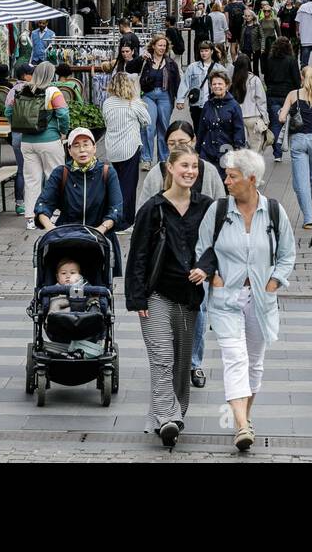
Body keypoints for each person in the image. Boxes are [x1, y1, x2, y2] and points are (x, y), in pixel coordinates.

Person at [191, 149, 296, 452]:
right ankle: (240, 424)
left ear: (251, 180)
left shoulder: (274, 211)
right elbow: (203, 246)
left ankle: (243, 418)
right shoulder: (219, 211)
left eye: (232, 176)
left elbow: (287, 254)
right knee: (234, 357)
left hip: (261, 298)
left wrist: (274, 282)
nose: (226, 181)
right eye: (226, 175)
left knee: (255, 363)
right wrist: (214, 278)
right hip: (226, 297)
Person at [127, 148, 213, 448]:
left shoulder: (206, 206)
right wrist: (137, 299)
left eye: (194, 166)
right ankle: (167, 418)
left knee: (180, 364)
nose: (190, 171)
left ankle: (172, 416)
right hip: (156, 296)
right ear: (170, 168)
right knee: (162, 359)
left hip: (189, 298)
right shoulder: (153, 208)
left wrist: (205, 267)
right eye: (184, 166)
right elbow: (137, 255)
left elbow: (218, 246)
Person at [35, 127, 125, 276]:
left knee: (98, 288)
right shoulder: (61, 173)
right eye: (76, 145)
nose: (82, 150)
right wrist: (50, 228)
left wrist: (101, 230)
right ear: (69, 151)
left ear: (94, 147)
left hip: (98, 240)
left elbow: (116, 208)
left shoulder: (107, 172)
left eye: (86, 144)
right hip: (66, 239)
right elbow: (43, 204)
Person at [7, 61, 70, 230]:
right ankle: (54, 214)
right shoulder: (53, 91)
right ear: (51, 75)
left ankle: (30, 218)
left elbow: (8, 112)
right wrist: (63, 131)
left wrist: (18, 126)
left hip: (27, 142)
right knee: (54, 177)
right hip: (50, 140)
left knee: (31, 180)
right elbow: (63, 114)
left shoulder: (20, 90)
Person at [279, 65, 312, 230]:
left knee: (301, 181)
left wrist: (288, 114)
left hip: (298, 140)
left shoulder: (292, 95)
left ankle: (308, 218)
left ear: (301, 78)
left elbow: (281, 118)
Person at [103, 72, 151, 230]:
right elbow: (147, 121)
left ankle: (113, 216)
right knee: (129, 186)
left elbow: (105, 120)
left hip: (112, 149)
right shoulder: (134, 103)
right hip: (129, 148)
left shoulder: (107, 103)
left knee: (115, 184)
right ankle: (126, 221)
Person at [138, 36, 179, 171]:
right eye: (159, 45)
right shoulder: (146, 61)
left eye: (164, 46)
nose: (162, 48)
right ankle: (146, 159)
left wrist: (179, 98)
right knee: (148, 127)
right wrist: (140, 58)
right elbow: (131, 67)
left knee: (163, 127)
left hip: (165, 95)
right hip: (148, 95)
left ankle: (163, 158)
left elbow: (177, 81)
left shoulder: (170, 63)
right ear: (153, 46)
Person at [195, 70, 245, 176]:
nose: (217, 86)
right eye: (214, 84)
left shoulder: (234, 106)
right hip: (207, 151)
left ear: (227, 86)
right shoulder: (207, 105)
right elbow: (201, 129)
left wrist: (238, 152)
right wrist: (197, 151)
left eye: (220, 84)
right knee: (206, 180)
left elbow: (238, 130)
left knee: (223, 182)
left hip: (225, 151)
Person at [2, 65, 33, 214]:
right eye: (31, 74)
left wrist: (14, 124)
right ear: (25, 75)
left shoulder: (12, 91)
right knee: (36, 170)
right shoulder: (35, 89)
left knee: (21, 171)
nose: (33, 76)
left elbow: (7, 111)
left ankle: (19, 204)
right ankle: (38, 202)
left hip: (17, 135)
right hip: (33, 136)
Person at [180, 41, 225, 131]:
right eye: (202, 51)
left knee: (213, 129)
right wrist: (180, 100)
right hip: (197, 104)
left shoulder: (219, 68)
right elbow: (185, 83)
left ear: (212, 51)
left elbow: (226, 85)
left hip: (213, 103)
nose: (203, 53)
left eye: (206, 50)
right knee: (198, 129)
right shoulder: (192, 67)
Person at [231, 56, 270, 154]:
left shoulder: (233, 80)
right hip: (253, 117)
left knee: (241, 147)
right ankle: (253, 167)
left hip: (238, 116)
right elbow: (261, 101)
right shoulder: (255, 79)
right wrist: (265, 118)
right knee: (255, 148)